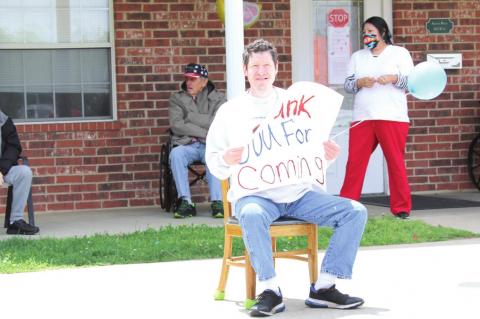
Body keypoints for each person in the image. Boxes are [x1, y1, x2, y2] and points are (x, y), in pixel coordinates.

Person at [206, 39, 367, 317]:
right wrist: (225, 159)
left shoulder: (296, 104)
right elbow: (214, 160)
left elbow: (310, 147)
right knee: (253, 214)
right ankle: (270, 291)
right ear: (245, 70)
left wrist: (326, 154)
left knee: (355, 212)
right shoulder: (230, 111)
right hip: (258, 196)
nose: (261, 72)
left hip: (299, 195)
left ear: (276, 68)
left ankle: (325, 287)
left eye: (266, 65)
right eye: (254, 66)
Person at [340, 16, 414, 219]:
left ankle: (401, 209)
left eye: (372, 33)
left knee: (395, 162)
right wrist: (360, 82)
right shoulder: (358, 57)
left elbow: (411, 83)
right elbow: (347, 85)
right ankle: (348, 206)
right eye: (365, 33)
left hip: (392, 117)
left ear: (383, 33)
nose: (367, 36)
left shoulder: (399, 53)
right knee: (355, 162)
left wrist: (393, 78)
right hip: (363, 117)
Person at [169, 63, 227, 219]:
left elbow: (218, 123)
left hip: (211, 145)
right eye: (187, 79)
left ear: (204, 81)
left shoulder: (219, 99)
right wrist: (205, 132)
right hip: (187, 143)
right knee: (176, 154)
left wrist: (191, 118)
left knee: (216, 156)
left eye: (193, 79)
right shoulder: (177, 98)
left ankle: (217, 202)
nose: (188, 82)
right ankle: (185, 201)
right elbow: (177, 125)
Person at [0, 110, 38, 235]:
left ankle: (15, 222)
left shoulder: (3, 120)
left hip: (2, 169)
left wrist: (1, 169)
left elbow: (14, 146)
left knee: (24, 172)